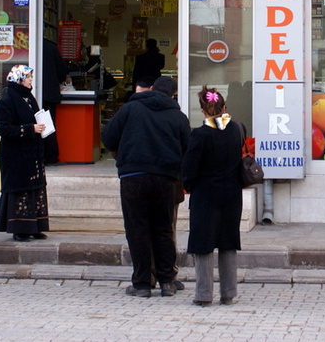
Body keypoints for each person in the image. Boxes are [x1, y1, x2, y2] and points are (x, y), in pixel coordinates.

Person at [101, 75, 189, 298]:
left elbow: (108, 136)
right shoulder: (178, 116)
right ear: (173, 95)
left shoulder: (130, 109)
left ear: (151, 88)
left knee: (137, 229)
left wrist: (122, 152)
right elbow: (188, 148)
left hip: (133, 175)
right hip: (165, 178)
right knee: (163, 229)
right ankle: (167, 282)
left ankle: (141, 284)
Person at [182, 85, 244, 307]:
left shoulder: (200, 134)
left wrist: (188, 185)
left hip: (206, 195)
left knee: (203, 244)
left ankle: (203, 294)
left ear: (203, 111)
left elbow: (189, 170)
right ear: (224, 107)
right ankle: (228, 293)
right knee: (228, 242)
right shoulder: (236, 128)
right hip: (232, 194)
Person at [0, 65, 50, 242]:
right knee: (20, 190)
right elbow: (4, 128)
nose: (31, 80)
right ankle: (20, 228)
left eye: (31, 76)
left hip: (32, 153)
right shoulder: (6, 101)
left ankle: (35, 226)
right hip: (16, 155)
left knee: (35, 189)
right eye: (27, 77)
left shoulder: (29, 98)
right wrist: (30, 128)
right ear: (18, 79)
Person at [42, 39, 68, 165]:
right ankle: (51, 156)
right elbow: (62, 71)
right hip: (49, 94)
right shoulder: (51, 47)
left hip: (33, 94)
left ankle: (38, 156)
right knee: (48, 126)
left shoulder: (26, 45)